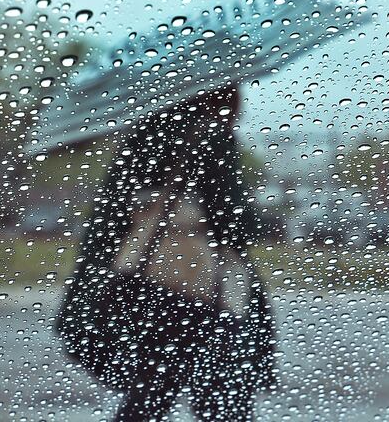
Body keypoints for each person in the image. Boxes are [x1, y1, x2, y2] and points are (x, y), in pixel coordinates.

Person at [56, 84, 275, 421]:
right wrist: (255, 215)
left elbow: (107, 221)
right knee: (224, 392)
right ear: (219, 94)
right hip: (199, 287)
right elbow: (234, 225)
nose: (240, 105)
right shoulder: (213, 135)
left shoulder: (141, 134)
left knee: (153, 388)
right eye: (235, 94)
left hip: (146, 282)